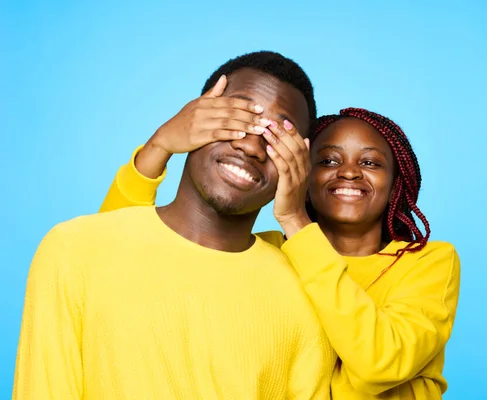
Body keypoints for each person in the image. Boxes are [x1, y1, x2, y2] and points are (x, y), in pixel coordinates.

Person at [13, 51, 337, 400]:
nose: (250, 145)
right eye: (236, 119)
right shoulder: (72, 248)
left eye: (277, 139)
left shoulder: (309, 293)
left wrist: (295, 218)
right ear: (195, 118)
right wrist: (159, 144)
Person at [98, 104, 461, 399]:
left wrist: (294, 218)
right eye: (328, 161)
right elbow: (110, 260)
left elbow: (378, 361)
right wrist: (157, 148)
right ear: (302, 174)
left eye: (370, 163)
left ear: (398, 181)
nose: (348, 173)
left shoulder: (427, 262)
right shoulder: (267, 252)